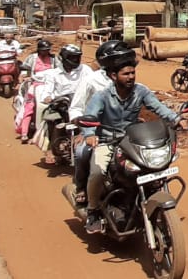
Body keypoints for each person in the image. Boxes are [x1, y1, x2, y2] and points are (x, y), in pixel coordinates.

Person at [80, 41, 179, 234]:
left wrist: (177, 119)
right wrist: (90, 134)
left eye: (133, 73)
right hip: (108, 141)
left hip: (133, 140)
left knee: (153, 168)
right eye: (126, 74)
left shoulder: (141, 91)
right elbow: (90, 115)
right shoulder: (102, 96)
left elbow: (158, 107)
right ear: (113, 76)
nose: (131, 77)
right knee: (98, 172)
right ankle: (92, 211)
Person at [67, 41, 119, 207]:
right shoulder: (91, 80)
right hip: (94, 129)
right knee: (83, 153)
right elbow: (75, 107)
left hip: (122, 130)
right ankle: (81, 188)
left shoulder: (128, 77)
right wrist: (84, 128)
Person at [29, 44, 92, 165]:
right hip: (61, 105)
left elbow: (94, 84)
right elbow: (47, 91)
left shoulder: (85, 70)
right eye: (72, 58)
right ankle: (51, 148)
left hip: (82, 104)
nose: (75, 61)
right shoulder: (53, 74)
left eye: (77, 57)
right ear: (64, 58)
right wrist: (48, 97)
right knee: (52, 119)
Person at [14, 39, 62, 142]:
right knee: (29, 108)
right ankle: (24, 133)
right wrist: (23, 76)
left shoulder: (54, 59)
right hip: (35, 86)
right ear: (39, 50)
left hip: (51, 86)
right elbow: (24, 69)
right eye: (43, 50)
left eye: (47, 50)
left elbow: (60, 70)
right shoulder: (32, 58)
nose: (46, 52)